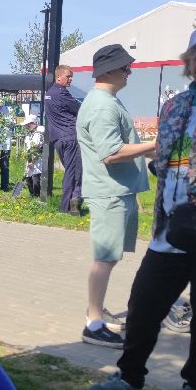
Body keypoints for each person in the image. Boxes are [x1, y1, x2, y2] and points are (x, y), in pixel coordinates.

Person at [88, 22, 196, 390]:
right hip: (170, 230)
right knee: (143, 306)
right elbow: (170, 158)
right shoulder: (175, 106)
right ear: (188, 63)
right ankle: (130, 377)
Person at [76, 44, 156, 347]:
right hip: (109, 193)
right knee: (105, 258)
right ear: (109, 70)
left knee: (108, 258)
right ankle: (93, 324)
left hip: (115, 191)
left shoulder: (106, 101)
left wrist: (149, 148)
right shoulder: (102, 106)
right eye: (125, 67)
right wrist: (154, 145)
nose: (129, 73)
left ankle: (95, 311)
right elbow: (110, 153)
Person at [45, 64, 83, 215]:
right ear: (58, 76)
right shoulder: (62, 93)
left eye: (71, 76)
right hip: (70, 137)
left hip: (58, 139)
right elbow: (80, 109)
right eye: (68, 76)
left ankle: (73, 201)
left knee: (71, 170)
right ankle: (68, 206)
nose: (70, 79)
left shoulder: (49, 93)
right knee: (74, 172)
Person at [22, 114, 44, 198]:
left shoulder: (39, 134)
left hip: (37, 159)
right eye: (26, 124)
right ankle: (32, 195)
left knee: (36, 177)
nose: (27, 126)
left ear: (34, 123)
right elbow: (27, 148)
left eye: (29, 124)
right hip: (29, 158)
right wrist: (28, 160)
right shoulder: (29, 135)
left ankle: (37, 196)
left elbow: (37, 149)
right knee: (28, 177)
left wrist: (33, 161)